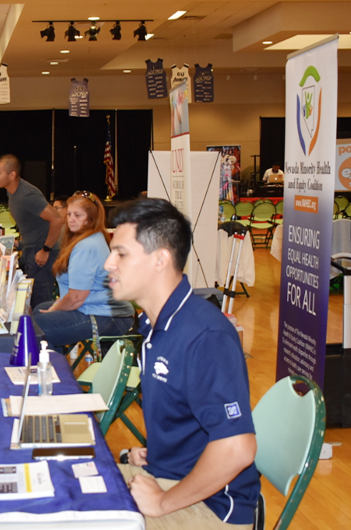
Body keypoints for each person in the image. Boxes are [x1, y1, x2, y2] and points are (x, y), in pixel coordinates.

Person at [105, 198, 259, 529]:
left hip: (213, 508)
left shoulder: (204, 335)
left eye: (120, 253)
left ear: (160, 260)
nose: (108, 263)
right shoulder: (155, 324)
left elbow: (238, 448)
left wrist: (162, 502)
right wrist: (159, 454)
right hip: (169, 475)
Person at [33, 191, 135, 352]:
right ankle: (56, 364)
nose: (71, 219)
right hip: (101, 310)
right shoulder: (93, 237)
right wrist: (56, 306)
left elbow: (75, 298)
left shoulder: (86, 246)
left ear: (90, 218)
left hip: (107, 317)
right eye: (69, 214)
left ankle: (55, 372)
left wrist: (55, 309)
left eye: (78, 215)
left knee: (34, 329)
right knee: (38, 310)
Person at [0, 154, 63, 307]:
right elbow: (34, 225)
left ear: (12, 175)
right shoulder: (11, 191)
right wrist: (18, 243)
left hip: (42, 252)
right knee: (29, 300)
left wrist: (46, 249)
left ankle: (43, 330)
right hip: (32, 248)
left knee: (40, 302)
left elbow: (57, 219)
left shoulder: (27, 195)